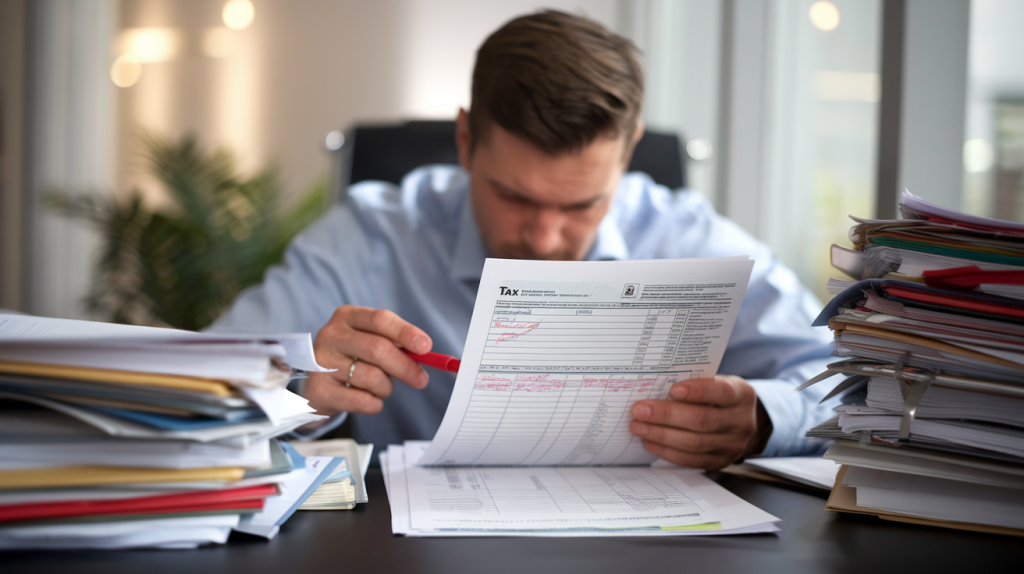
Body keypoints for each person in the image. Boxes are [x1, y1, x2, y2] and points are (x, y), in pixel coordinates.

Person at [211, 10, 839, 470]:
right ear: (464, 141)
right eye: (514, 196)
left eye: (581, 203)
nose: (543, 237)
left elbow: (848, 383)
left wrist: (761, 417)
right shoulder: (370, 236)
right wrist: (299, 393)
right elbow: (205, 383)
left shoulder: (692, 238)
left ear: (626, 156)